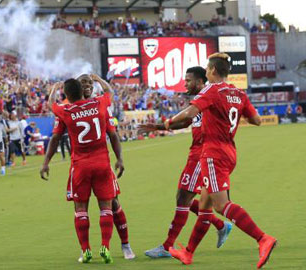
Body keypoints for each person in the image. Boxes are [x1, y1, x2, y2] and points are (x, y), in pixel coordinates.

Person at [165, 53, 277, 269]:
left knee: (220, 205)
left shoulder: (212, 90)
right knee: (205, 205)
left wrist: (169, 122)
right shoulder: (238, 93)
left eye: (207, 70)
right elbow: (256, 120)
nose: (206, 73)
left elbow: (191, 111)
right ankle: (188, 253)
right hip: (229, 151)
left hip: (213, 153)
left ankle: (263, 238)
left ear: (213, 71)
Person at [141, 67, 232, 258]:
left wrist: (161, 125)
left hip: (203, 153)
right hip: (197, 153)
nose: (185, 84)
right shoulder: (202, 100)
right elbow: (186, 122)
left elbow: (187, 117)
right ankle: (221, 225)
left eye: (188, 80)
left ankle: (167, 247)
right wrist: (158, 127)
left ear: (200, 82)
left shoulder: (209, 97)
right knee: (187, 199)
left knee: (183, 198)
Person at [40, 79, 123, 264]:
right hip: (102, 163)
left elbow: (50, 104)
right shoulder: (99, 103)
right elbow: (110, 91)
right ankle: (106, 247)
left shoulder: (66, 110)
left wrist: (54, 89)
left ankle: (86, 251)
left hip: (80, 166)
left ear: (67, 96)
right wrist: (99, 79)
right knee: (106, 207)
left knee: (80, 209)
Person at [74, 74, 135, 259]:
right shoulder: (70, 107)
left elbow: (113, 134)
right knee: (81, 207)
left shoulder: (100, 105)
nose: (87, 86)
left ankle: (125, 245)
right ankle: (86, 250)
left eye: (90, 83)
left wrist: (119, 158)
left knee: (113, 203)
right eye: (83, 83)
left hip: (101, 162)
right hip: (83, 164)